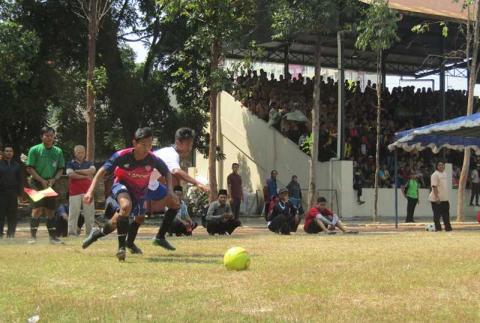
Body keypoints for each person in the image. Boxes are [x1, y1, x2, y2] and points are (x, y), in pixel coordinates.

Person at [82, 127, 178, 261]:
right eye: (144, 144)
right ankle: (121, 248)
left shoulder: (152, 159)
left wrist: (170, 191)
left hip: (139, 192)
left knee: (134, 218)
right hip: (121, 185)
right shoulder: (122, 156)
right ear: (134, 143)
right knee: (126, 206)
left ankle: (97, 235)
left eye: (150, 145)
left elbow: (167, 172)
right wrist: (90, 191)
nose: (147, 148)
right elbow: (101, 171)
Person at [147, 127, 208, 251]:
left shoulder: (169, 152)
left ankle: (160, 237)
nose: (190, 148)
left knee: (175, 203)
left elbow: (167, 173)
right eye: (188, 144)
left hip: (150, 184)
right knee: (127, 212)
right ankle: (104, 234)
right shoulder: (171, 154)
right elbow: (176, 171)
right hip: (139, 182)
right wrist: (198, 183)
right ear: (179, 142)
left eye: (191, 144)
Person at [26, 127, 65, 244]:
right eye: (46, 135)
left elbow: (60, 169)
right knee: (37, 209)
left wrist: (54, 179)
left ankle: (52, 238)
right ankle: (32, 238)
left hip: (50, 183)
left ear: (54, 137)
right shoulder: (34, 150)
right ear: (42, 136)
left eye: (51, 136)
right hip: (36, 182)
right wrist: (41, 180)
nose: (49, 138)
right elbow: (29, 168)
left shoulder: (58, 151)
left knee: (50, 210)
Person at [66, 145, 96, 236]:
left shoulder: (89, 163)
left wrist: (78, 171)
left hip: (88, 192)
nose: (81, 154)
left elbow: (92, 171)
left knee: (89, 214)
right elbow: (70, 174)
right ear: (75, 153)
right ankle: (72, 233)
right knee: (73, 214)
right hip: (74, 192)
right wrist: (85, 176)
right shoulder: (70, 163)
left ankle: (90, 233)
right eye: (78, 152)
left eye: (82, 152)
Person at [0, 145, 23, 238]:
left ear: (13, 153)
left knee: (12, 215)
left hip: (13, 193)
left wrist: (20, 194)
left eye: (10, 151)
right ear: (3, 153)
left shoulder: (17, 165)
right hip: (1, 193)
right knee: (0, 214)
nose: (9, 153)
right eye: (7, 151)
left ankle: (11, 234)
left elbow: (20, 181)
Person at [428, 162, 452, 232]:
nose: (441, 166)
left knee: (446, 215)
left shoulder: (444, 173)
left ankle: (448, 228)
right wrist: (437, 197)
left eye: (442, 165)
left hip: (445, 199)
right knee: (437, 215)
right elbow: (434, 186)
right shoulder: (435, 175)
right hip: (437, 199)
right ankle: (438, 229)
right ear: (437, 166)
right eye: (439, 165)